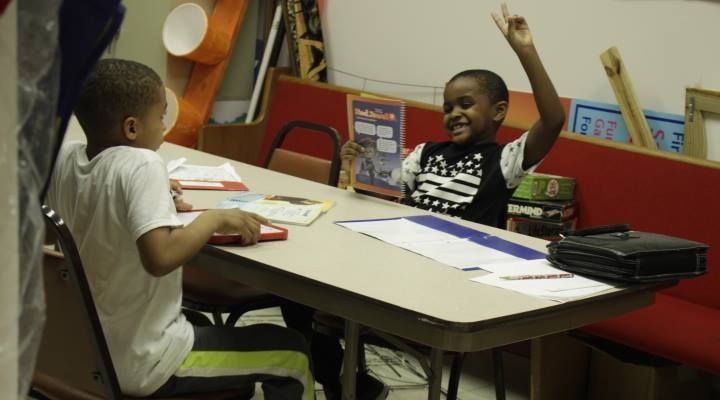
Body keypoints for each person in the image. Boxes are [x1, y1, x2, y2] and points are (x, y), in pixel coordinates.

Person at [46, 58, 315, 399]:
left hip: (86, 351)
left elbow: (92, 212)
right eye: (160, 116)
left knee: (200, 324)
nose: (163, 127)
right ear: (132, 128)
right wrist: (214, 218)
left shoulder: (66, 157)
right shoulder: (142, 163)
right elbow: (160, 257)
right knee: (292, 351)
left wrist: (155, 198)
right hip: (143, 363)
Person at [341, 2, 566, 228]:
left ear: (498, 111)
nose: (454, 114)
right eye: (447, 109)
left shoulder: (505, 162)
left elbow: (553, 120)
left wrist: (526, 51)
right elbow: (381, 197)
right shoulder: (424, 153)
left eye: (466, 104)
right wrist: (358, 165)